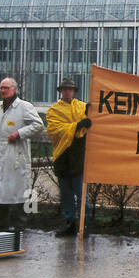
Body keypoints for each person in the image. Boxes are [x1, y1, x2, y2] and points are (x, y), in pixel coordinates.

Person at [0, 77, 43, 230]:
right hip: (0, 149)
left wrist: (19, 133)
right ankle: (2, 222)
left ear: (14, 89)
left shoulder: (24, 106)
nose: (2, 90)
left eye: (6, 88)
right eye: (1, 88)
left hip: (16, 151)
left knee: (19, 187)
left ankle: (21, 223)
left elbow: (38, 125)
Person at [45, 77, 91, 237]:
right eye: (64, 89)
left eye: (70, 89)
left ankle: (84, 224)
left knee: (81, 192)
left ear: (74, 91)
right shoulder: (53, 111)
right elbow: (53, 131)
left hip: (79, 154)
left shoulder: (83, 106)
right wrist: (77, 126)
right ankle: (70, 223)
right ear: (61, 91)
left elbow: (93, 120)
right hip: (62, 155)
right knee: (66, 194)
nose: (67, 92)